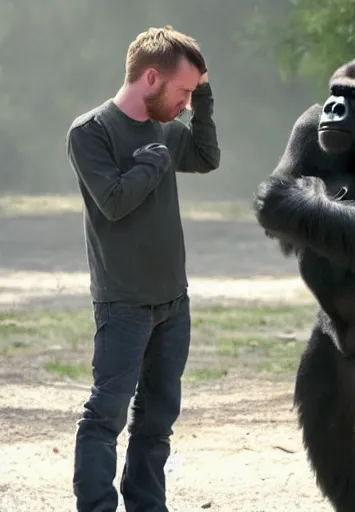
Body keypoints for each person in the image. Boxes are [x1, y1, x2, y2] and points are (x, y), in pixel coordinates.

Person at [65, 25, 220, 512]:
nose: (185, 104)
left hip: (173, 300)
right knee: (105, 417)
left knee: (156, 420)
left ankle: (148, 506)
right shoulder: (90, 132)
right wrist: (153, 162)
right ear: (151, 78)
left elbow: (206, 156)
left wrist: (206, 97)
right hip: (123, 302)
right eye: (184, 92)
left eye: (192, 94)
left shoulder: (167, 130)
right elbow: (112, 201)